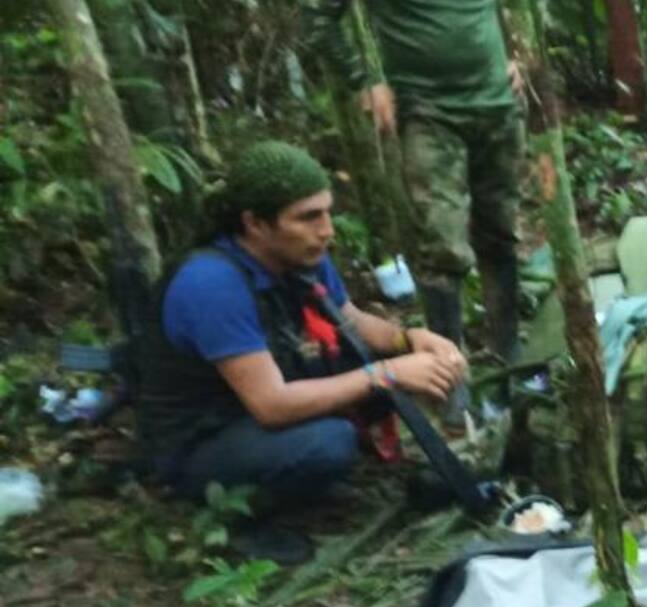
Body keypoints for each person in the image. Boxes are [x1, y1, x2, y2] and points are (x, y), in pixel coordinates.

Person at [138, 141, 467, 559]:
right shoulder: (212, 284)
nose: (326, 230)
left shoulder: (300, 254)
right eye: (308, 218)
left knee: (365, 366)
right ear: (255, 224)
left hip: (263, 391)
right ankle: (235, 516)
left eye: (327, 213)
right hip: (204, 437)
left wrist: (408, 340)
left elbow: (349, 321)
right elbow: (270, 404)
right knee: (329, 443)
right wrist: (387, 374)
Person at [304, 0, 524, 427]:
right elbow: (317, 13)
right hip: (427, 110)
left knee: (502, 233)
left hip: (496, 106)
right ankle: (449, 380)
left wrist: (518, 49)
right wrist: (364, 83)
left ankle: (509, 359)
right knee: (441, 249)